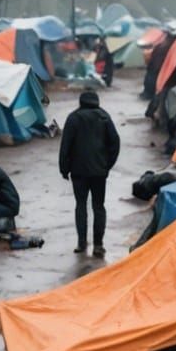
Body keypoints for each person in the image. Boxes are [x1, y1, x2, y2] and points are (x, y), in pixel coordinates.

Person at [59, 88, 121, 256]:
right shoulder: (104, 117)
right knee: (99, 206)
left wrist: (64, 168)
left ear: (80, 102)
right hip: (99, 172)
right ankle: (99, 245)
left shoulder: (73, 118)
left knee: (81, 206)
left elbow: (65, 146)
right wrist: (107, 164)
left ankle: (81, 243)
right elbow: (115, 142)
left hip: (78, 172)